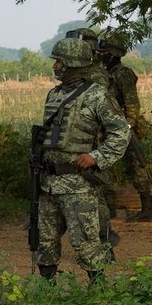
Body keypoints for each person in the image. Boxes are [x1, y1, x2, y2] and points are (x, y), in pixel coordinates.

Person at [34, 38, 130, 284]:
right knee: (44, 240)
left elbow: (121, 132)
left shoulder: (97, 95)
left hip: (78, 185)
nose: (55, 66)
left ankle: (98, 292)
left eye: (59, 62)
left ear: (73, 65)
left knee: (86, 242)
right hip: (48, 182)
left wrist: (96, 157)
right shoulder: (53, 94)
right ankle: (47, 288)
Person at [65, 27, 121, 249]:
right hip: (79, 140)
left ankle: (105, 237)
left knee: (93, 189)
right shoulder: (82, 72)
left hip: (92, 142)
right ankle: (104, 237)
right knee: (90, 191)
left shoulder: (96, 75)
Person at [98, 32, 152, 222]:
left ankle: (148, 209)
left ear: (113, 53)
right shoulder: (104, 74)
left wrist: (128, 125)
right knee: (103, 165)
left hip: (123, 126)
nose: (100, 53)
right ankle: (109, 208)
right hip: (108, 126)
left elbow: (132, 103)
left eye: (104, 50)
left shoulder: (123, 74)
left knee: (135, 167)